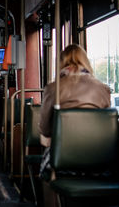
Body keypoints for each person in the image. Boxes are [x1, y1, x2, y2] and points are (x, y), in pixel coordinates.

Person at [38, 44, 110, 182]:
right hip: (100, 161)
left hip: (63, 161)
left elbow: (45, 129)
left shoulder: (54, 88)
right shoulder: (103, 88)